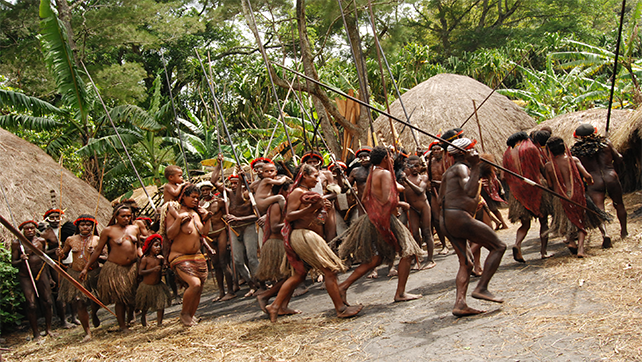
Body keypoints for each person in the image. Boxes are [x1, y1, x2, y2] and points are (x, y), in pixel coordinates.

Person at [266, 164, 362, 322]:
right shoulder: (297, 192)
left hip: (306, 234)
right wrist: (313, 208)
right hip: (302, 236)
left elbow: (316, 218)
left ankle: (276, 306)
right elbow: (289, 216)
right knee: (330, 271)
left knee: (299, 274)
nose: (318, 179)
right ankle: (341, 309)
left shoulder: (306, 193)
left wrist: (321, 209)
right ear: (304, 175)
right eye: (315, 176)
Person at [336, 146, 423, 303]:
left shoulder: (373, 173)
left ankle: (343, 286)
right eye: (390, 157)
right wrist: (401, 205)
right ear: (385, 158)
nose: (391, 160)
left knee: (375, 260)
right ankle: (400, 293)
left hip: (374, 218)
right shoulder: (384, 173)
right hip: (383, 220)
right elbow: (387, 200)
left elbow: (364, 199)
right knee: (408, 253)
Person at [439, 138, 506, 317]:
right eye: (472, 149)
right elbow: (469, 191)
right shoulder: (462, 168)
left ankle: (460, 304)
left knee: (466, 263)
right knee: (499, 246)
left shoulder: (449, 172)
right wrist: (476, 166)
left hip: (446, 219)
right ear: (464, 153)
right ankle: (481, 288)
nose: (476, 152)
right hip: (458, 217)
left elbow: (441, 199)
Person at [80, 202, 142, 332]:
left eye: (129, 216)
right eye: (123, 216)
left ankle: (131, 319)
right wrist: (86, 267)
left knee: (132, 295)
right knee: (120, 298)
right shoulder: (108, 231)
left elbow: (139, 246)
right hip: (116, 268)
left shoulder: (134, 228)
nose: (126, 218)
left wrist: (142, 257)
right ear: (116, 216)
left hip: (133, 267)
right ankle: (122, 326)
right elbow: (97, 251)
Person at [545, 136, 609, 258]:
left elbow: (549, 185)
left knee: (565, 220)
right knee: (581, 221)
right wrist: (589, 182)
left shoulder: (549, 166)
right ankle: (580, 249)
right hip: (577, 194)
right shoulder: (573, 160)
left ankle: (571, 242)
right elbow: (587, 176)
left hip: (560, 198)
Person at [165, 183, 212, 326]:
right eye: (192, 197)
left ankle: (191, 315)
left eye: (197, 198)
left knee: (199, 288)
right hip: (180, 256)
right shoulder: (174, 212)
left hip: (197, 256)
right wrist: (179, 219)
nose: (196, 200)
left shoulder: (196, 213)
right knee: (195, 284)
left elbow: (204, 233)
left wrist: (208, 218)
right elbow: (170, 234)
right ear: (183, 197)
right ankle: (184, 314)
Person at [571, 124, 627, 243]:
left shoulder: (576, 150)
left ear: (578, 136)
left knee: (599, 208)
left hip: (593, 181)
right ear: (594, 132)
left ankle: (605, 234)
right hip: (611, 176)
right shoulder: (606, 143)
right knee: (619, 204)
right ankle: (624, 231)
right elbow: (619, 158)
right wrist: (614, 168)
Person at [502, 132, 552, 262]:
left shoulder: (507, 154)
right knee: (543, 221)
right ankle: (543, 252)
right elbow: (541, 168)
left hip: (517, 194)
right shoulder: (530, 148)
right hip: (536, 189)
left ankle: (517, 244)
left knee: (525, 224)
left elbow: (503, 176)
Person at [57, 215, 104, 341]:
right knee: (80, 302)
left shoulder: (97, 239)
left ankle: (94, 313)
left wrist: (95, 252)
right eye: (82, 225)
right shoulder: (70, 240)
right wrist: (59, 254)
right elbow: (63, 255)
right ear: (78, 226)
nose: (85, 227)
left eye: (88, 225)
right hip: (76, 274)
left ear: (92, 226)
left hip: (93, 274)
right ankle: (87, 332)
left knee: (95, 300)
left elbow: (106, 257)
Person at [255, 179, 296, 314]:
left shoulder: (286, 203)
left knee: (292, 275)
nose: (291, 192)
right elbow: (274, 227)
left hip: (283, 241)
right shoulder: (276, 206)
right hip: (276, 243)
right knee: (291, 275)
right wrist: (290, 222)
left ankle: (282, 306)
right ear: (281, 191)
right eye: (289, 190)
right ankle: (266, 296)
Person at [12, 221, 56, 341]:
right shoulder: (17, 243)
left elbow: (44, 260)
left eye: (32, 228)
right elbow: (13, 262)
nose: (30, 231)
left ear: (35, 229)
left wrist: (50, 277)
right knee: (31, 304)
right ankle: (36, 333)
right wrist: (21, 259)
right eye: (27, 229)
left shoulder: (41, 241)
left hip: (41, 274)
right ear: (23, 231)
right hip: (25, 275)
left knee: (47, 301)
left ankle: (48, 329)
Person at [400, 155, 435, 269]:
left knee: (427, 232)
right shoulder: (404, 179)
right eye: (411, 166)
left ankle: (430, 259)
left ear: (420, 166)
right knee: (414, 233)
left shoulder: (423, 178)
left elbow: (420, 191)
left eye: (417, 166)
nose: (414, 168)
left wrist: (406, 181)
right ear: (407, 167)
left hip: (424, 207)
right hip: (412, 209)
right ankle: (417, 258)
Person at [202, 182, 236, 302]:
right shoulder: (200, 205)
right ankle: (221, 292)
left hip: (220, 232)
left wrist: (228, 236)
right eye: (203, 190)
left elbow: (228, 215)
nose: (205, 192)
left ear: (211, 190)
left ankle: (231, 291)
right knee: (215, 264)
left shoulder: (220, 201)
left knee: (223, 262)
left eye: (207, 190)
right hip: (209, 236)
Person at [40, 208, 73, 329]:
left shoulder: (67, 229)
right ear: (47, 219)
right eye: (52, 217)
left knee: (73, 289)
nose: (55, 220)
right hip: (56, 264)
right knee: (60, 290)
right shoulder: (45, 234)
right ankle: (63, 320)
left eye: (57, 217)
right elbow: (42, 252)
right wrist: (55, 250)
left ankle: (74, 317)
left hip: (70, 261)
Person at [136, 234, 172, 327]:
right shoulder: (145, 259)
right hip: (147, 286)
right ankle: (143, 319)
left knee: (160, 305)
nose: (158, 248)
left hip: (158, 285)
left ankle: (159, 323)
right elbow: (140, 271)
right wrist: (152, 270)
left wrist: (164, 269)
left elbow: (162, 268)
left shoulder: (160, 259)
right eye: (155, 245)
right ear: (149, 246)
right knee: (145, 305)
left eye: (159, 245)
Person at [426, 142, 450, 255]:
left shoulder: (447, 161)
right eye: (433, 149)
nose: (436, 151)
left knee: (450, 218)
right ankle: (444, 245)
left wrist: (440, 183)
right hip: (435, 192)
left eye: (438, 149)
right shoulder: (430, 162)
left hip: (448, 191)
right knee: (436, 219)